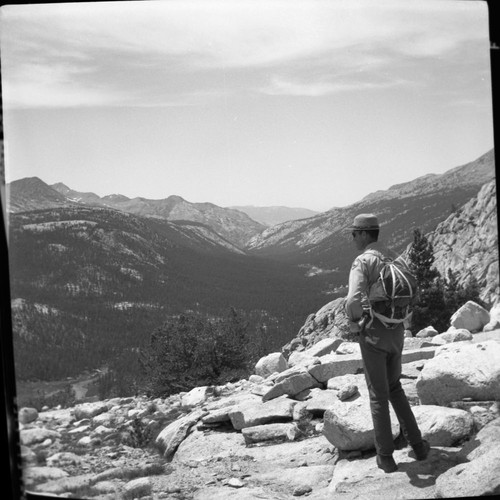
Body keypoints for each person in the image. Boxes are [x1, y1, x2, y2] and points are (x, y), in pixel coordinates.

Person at [344, 213, 430, 473]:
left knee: (378, 397)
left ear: (363, 233)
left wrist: (354, 323)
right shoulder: (395, 257)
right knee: (395, 388)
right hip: (397, 332)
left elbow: (353, 300)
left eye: (354, 233)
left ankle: (386, 457)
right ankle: (418, 445)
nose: (353, 238)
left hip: (374, 333)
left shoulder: (364, 261)